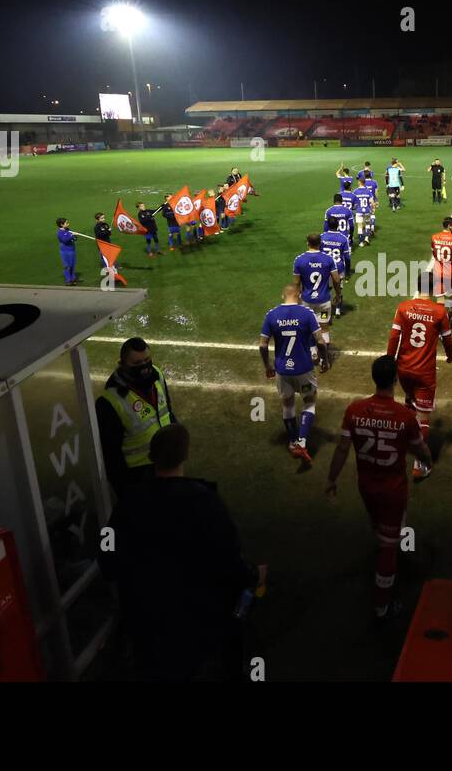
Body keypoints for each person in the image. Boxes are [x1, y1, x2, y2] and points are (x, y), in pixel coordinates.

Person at [98, 423, 259, 681]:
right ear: (186, 454)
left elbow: (108, 561)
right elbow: (230, 561)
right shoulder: (205, 501)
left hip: (147, 621)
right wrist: (252, 576)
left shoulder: (129, 503)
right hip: (195, 623)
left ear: (151, 457)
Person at [324, 355, 433, 621]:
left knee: (380, 531)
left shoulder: (355, 410)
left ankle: (385, 543)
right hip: (393, 490)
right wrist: (427, 461)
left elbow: (341, 448)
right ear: (395, 380)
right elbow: (421, 450)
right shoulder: (405, 416)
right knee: (388, 547)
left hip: (367, 487)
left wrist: (331, 479)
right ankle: (382, 607)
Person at [386, 272, 452, 481]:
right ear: (433, 289)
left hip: (404, 369)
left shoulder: (404, 307)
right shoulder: (440, 312)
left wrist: (390, 360)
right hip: (424, 372)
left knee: (409, 405)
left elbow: (394, 336)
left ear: (417, 286)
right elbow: (447, 340)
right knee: (423, 416)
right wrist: (450, 356)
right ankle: (420, 464)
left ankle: (403, 442)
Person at [95, 337, 178, 501]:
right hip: (139, 473)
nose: (144, 367)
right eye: (137, 363)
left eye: (147, 360)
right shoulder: (110, 401)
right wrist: (125, 491)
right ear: (122, 363)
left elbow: (167, 410)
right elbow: (111, 455)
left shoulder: (157, 374)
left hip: (166, 459)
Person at [259, 284, 330, 464]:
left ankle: (292, 442)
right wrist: (324, 360)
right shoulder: (307, 314)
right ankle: (302, 441)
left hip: (283, 371)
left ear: (283, 295)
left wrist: (268, 365)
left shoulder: (271, 315)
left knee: (288, 405)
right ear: (298, 295)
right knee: (310, 402)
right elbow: (320, 341)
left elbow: (262, 345)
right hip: (304, 370)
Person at [294, 233, 341, 346]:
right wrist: (338, 294)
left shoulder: (299, 260)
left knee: (308, 327)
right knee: (324, 327)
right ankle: (324, 356)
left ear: (307, 243)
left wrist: (297, 299)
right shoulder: (328, 260)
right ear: (320, 243)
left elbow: (296, 283)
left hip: (306, 302)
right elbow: (336, 279)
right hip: (324, 303)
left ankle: (313, 352)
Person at [431, 217, 452, 326]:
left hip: (437, 271)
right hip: (451, 272)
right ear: (449, 226)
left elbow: (434, 255)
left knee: (440, 296)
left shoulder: (434, 237)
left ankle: (439, 321)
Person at [319, 217, 352, 317]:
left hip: (325, 268)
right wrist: (348, 272)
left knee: (326, 291)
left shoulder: (322, 237)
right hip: (339, 267)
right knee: (338, 290)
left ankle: (325, 316)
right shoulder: (343, 238)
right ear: (337, 225)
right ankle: (337, 310)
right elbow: (347, 257)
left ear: (327, 225)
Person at [351, 176, 375, 247]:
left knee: (360, 226)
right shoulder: (368, 191)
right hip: (367, 210)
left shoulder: (355, 191)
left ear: (359, 182)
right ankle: (367, 238)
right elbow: (372, 201)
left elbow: (353, 203)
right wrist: (373, 208)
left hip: (359, 211)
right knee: (367, 224)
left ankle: (361, 242)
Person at [56, 218, 79, 286]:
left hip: (72, 249)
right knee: (67, 266)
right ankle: (68, 280)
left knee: (72, 265)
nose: (68, 224)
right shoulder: (59, 232)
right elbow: (64, 240)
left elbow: (73, 238)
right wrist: (72, 235)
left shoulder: (68, 230)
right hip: (65, 251)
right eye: (66, 223)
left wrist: (74, 237)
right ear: (61, 225)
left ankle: (73, 278)